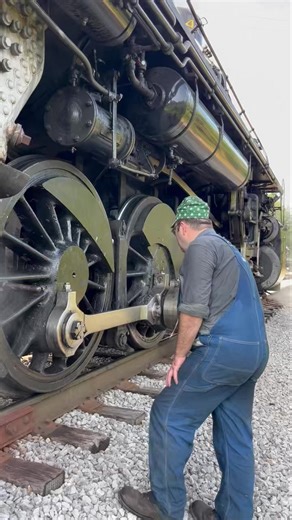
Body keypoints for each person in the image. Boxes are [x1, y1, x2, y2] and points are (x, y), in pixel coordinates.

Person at [119, 195, 269, 520]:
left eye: (176, 234)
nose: (179, 243)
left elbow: (193, 310)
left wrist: (179, 357)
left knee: (168, 413)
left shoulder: (201, 248)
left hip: (225, 350)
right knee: (234, 431)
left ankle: (165, 505)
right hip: (254, 353)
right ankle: (234, 515)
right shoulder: (232, 252)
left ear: (183, 227)